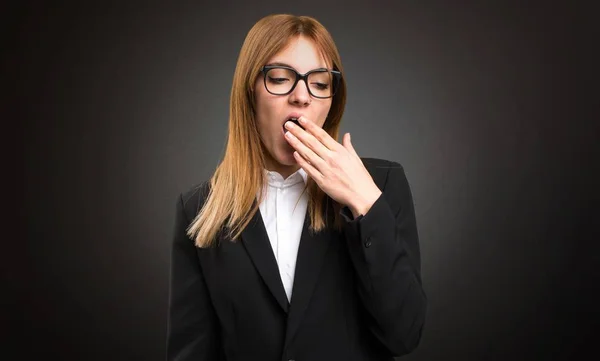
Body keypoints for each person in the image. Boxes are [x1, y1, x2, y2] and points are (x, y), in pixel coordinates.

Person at [167, 13, 427, 361]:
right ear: (250, 92)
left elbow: (405, 335)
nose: (302, 96)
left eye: (319, 84)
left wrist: (365, 205)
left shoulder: (381, 185)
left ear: (331, 100)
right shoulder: (198, 208)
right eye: (280, 78)